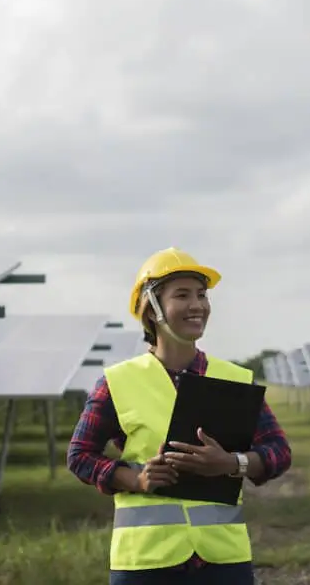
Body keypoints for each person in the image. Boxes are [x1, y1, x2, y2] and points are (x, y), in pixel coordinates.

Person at [67, 247, 293, 584]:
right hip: (145, 561)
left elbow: (279, 451)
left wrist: (232, 463)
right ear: (152, 308)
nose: (197, 305)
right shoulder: (117, 382)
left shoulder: (235, 378)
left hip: (223, 559)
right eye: (182, 295)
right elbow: (80, 456)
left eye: (202, 295)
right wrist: (136, 479)